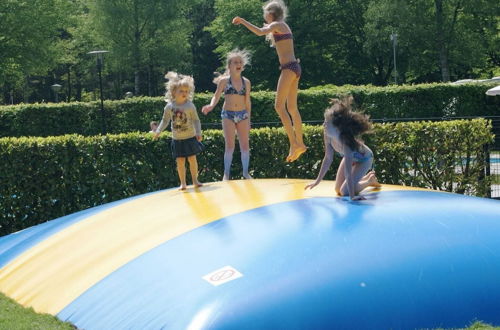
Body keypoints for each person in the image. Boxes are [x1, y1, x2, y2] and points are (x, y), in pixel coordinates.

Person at [232, 0, 306, 162]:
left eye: (265, 13)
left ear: (271, 14)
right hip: (294, 67)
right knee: (292, 108)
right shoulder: (281, 26)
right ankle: (299, 143)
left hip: (289, 69)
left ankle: (294, 143)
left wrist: (242, 21)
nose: (264, 16)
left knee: (279, 106)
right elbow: (265, 31)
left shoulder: (277, 24)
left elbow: (259, 32)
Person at [305, 96, 381, 200]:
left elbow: (348, 173)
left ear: (337, 128)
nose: (323, 125)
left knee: (344, 191)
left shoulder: (346, 143)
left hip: (364, 159)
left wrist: (352, 196)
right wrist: (317, 181)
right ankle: (365, 178)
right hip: (350, 158)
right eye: (324, 121)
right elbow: (328, 158)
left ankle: (369, 181)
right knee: (338, 189)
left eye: (327, 123)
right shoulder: (327, 135)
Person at [202, 49, 252, 180]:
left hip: (242, 114)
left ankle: (246, 173)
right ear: (229, 66)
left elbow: (247, 102)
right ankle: (226, 174)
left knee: (245, 145)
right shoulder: (224, 81)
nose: (238, 64)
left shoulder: (246, 82)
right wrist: (211, 106)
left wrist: (249, 119)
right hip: (228, 114)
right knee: (229, 145)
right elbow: (216, 96)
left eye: (240, 62)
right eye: (235, 62)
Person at [153, 72, 204, 190]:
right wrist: (158, 130)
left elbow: (196, 120)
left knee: (192, 159)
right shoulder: (169, 107)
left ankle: (195, 180)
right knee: (180, 161)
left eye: (186, 91)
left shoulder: (190, 106)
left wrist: (198, 132)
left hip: (190, 137)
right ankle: (183, 183)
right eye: (181, 91)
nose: (184, 93)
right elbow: (165, 120)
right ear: (173, 92)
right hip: (177, 139)